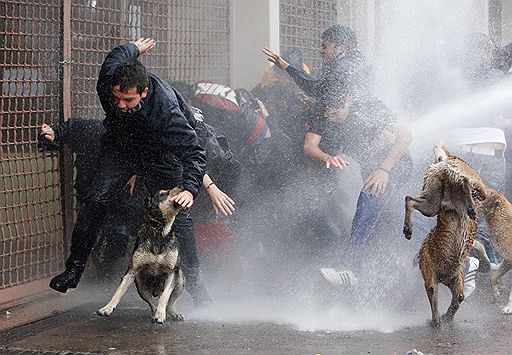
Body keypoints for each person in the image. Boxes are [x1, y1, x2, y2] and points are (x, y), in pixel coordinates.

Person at [41, 38, 209, 305]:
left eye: (128, 100)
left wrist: (189, 187)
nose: (120, 104)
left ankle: (197, 287)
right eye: (116, 98)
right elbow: (115, 56)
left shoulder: (166, 112)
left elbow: (195, 153)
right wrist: (134, 48)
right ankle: (73, 270)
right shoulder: (109, 81)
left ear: (143, 92)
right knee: (96, 200)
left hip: (159, 156)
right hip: (122, 147)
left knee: (181, 218)